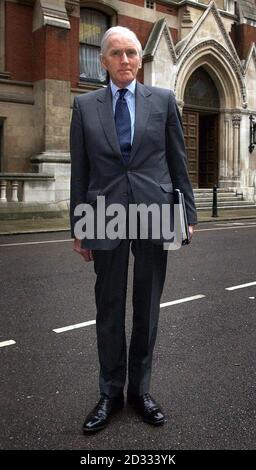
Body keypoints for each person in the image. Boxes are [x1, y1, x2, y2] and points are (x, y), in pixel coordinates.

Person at [70, 26, 197, 433]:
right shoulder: (84, 106)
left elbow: (178, 161)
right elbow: (81, 170)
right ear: (103, 61)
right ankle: (109, 393)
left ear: (140, 60)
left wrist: (187, 214)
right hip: (102, 212)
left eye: (131, 53)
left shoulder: (161, 101)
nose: (124, 60)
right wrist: (78, 224)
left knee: (147, 307)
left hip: (154, 211)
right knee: (108, 308)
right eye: (116, 54)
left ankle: (139, 392)